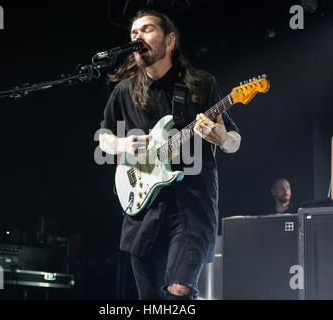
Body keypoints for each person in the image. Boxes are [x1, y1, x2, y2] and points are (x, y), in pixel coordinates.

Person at [98, 10, 241, 300]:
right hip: (143, 210)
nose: (137, 37)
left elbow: (234, 141)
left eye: (147, 30)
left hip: (192, 205)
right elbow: (103, 138)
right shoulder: (124, 91)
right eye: (133, 33)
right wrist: (124, 145)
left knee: (179, 292)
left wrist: (222, 138)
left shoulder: (200, 84)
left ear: (170, 40)